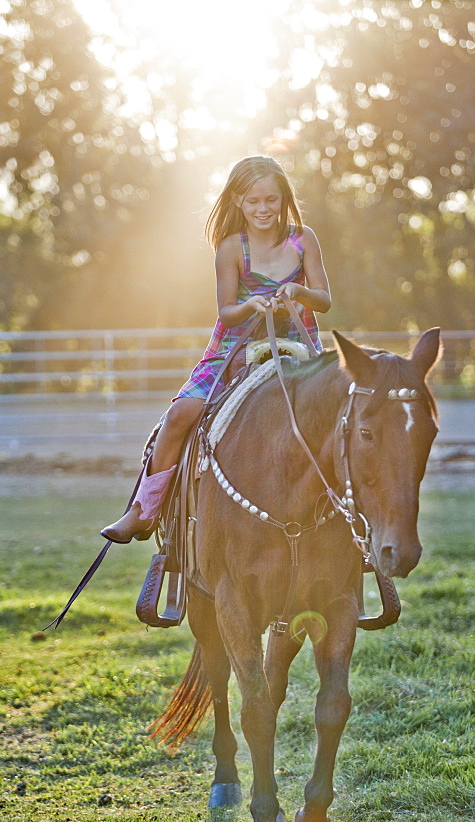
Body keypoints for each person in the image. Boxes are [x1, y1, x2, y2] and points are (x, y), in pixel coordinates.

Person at [100, 155, 332, 544]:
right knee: (180, 415)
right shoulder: (230, 248)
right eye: (253, 201)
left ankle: (353, 524)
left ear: (283, 199)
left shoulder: (302, 238)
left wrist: (299, 291)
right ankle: (145, 509)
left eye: (271, 200)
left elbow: (323, 299)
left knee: (345, 415)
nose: (263, 209)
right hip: (235, 348)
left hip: (298, 348)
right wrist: (249, 306)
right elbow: (226, 310)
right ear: (239, 201)